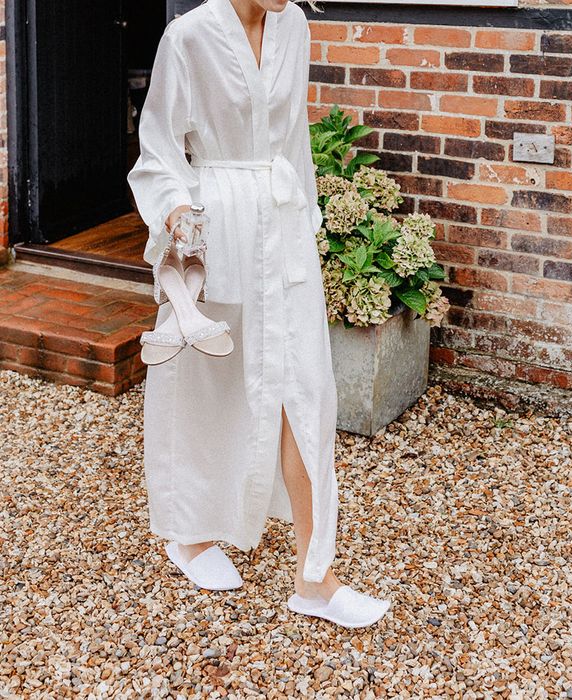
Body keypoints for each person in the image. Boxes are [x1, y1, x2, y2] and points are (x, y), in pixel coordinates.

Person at [127, 0, 389, 629]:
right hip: (215, 227)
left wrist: (310, 227)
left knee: (305, 390)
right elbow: (158, 149)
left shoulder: (294, 25)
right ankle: (189, 533)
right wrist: (175, 217)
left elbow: (294, 139)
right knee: (209, 384)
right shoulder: (187, 37)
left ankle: (314, 579)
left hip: (283, 225)